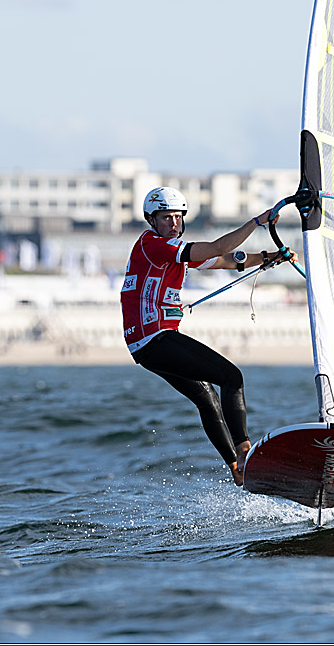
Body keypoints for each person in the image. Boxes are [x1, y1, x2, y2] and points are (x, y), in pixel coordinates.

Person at [120, 187, 297, 486]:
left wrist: (269, 257)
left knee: (207, 397)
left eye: (178, 217)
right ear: (152, 220)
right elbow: (215, 248)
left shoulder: (171, 251)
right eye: (166, 218)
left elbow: (226, 260)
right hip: (155, 338)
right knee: (231, 377)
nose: (173, 224)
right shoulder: (154, 245)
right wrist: (257, 222)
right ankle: (244, 450)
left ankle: (235, 467)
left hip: (146, 345)